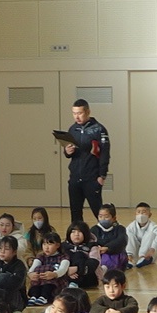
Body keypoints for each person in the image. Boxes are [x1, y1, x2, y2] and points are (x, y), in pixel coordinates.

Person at [58, 97, 110, 229]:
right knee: (75, 213)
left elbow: (105, 153)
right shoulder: (72, 129)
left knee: (98, 211)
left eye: (80, 113)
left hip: (92, 178)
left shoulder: (99, 129)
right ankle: (77, 237)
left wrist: (102, 176)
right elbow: (70, 153)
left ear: (88, 112)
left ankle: (109, 234)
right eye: (74, 113)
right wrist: (67, 152)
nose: (77, 116)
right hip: (75, 178)